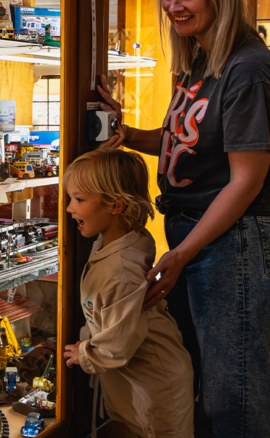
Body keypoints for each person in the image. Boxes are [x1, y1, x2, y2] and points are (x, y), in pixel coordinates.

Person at [95, 0, 270, 436]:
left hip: (237, 244)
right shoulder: (203, 57)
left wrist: (180, 255)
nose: (172, 6)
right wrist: (126, 133)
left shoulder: (248, 70)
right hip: (200, 237)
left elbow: (244, 182)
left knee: (236, 403)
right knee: (199, 387)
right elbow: (186, 142)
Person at [61, 149, 194, 438]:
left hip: (157, 387)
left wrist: (84, 353)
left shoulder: (120, 271)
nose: (69, 208)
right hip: (136, 382)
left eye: (79, 200)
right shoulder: (121, 240)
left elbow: (118, 344)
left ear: (116, 205)